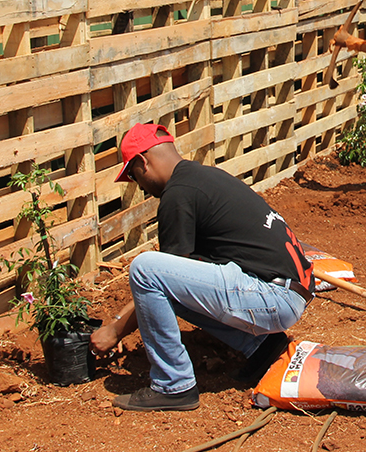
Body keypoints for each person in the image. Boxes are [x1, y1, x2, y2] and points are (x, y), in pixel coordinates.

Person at [91, 123, 313, 412]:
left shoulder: (177, 194)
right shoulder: (203, 177)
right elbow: (175, 278)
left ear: (142, 162)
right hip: (289, 293)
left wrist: (115, 330)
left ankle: (173, 385)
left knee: (146, 268)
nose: (141, 188)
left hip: (272, 297)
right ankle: (263, 348)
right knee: (172, 283)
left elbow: (158, 276)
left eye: (133, 176)